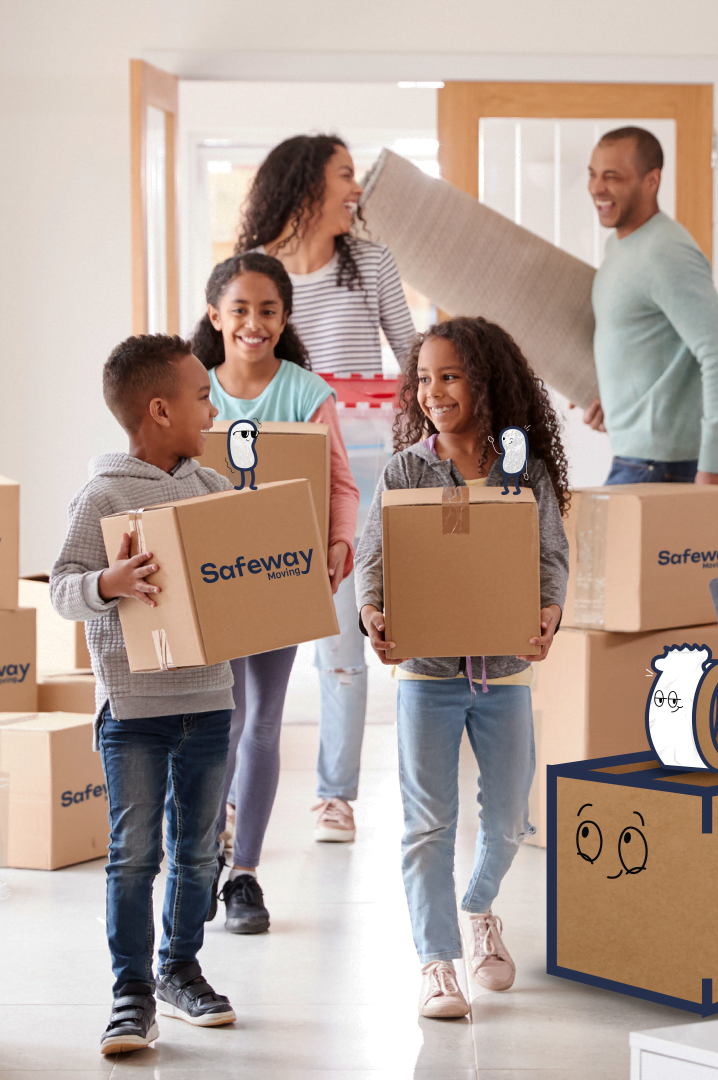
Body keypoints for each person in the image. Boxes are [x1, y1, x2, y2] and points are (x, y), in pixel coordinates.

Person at [354, 317, 570, 1019]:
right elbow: (374, 559)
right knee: (427, 824)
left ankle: (479, 908)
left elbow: (550, 560)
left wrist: (549, 610)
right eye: (423, 379)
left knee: (509, 821)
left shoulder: (522, 471)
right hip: (426, 673)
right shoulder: (405, 470)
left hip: (504, 672)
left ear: (487, 382)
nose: (433, 392)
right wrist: (373, 613)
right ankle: (438, 962)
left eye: (449, 376)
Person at [50, 334, 238, 1054]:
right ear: (160, 410)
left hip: (210, 701)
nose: (211, 404)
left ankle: (179, 969)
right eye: (200, 395)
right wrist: (109, 583)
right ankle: (130, 991)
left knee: (197, 851)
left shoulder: (212, 488)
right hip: (133, 712)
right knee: (134, 854)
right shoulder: (102, 495)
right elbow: (64, 588)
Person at [237, 133, 417, 844]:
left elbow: (414, 360)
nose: (356, 189)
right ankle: (232, 794)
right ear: (307, 184)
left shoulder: (369, 264)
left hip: (359, 470)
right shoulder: (257, 279)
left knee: (343, 639)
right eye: (345, 175)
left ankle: (334, 796)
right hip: (272, 470)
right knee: (250, 636)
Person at [190, 252, 360, 934]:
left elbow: (341, 485)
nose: (254, 324)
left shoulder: (306, 393)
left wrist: (339, 548)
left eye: (268, 311)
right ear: (215, 316)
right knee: (218, 724)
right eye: (240, 310)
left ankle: (245, 874)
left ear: (284, 318)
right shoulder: (192, 385)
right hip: (211, 578)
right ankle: (204, 857)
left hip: (280, 575)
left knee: (262, 719)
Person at [581, 126, 718, 507]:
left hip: (663, 467)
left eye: (612, 176)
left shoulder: (666, 252)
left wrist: (714, 466)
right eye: (592, 174)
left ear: (651, 180)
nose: (596, 187)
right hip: (638, 457)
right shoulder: (620, 246)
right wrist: (616, 402)